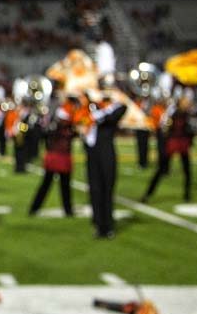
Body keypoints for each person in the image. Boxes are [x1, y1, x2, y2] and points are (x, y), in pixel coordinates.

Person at [82, 91, 127, 239]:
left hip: (106, 154)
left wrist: (101, 112)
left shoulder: (110, 109)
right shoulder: (87, 108)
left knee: (107, 189)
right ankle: (98, 224)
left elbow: (121, 108)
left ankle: (108, 226)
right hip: (92, 155)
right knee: (94, 190)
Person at [28, 96, 79, 216]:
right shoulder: (65, 127)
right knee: (63, 185)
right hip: (61, 157)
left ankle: (34, 208)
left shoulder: (54, 125)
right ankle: (68, 210)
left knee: (46, 184)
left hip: (53, 157)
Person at [141, 95, 194, 203]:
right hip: (173, 142)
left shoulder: (186, 114)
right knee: (161, 168)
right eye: (185, 102)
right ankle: (148, 193)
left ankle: (187, 194)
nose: (187, 104)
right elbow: (165, 127)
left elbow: (189, 129)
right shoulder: (173, 112)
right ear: (180, 103)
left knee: (187, 170)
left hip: (182, 142)